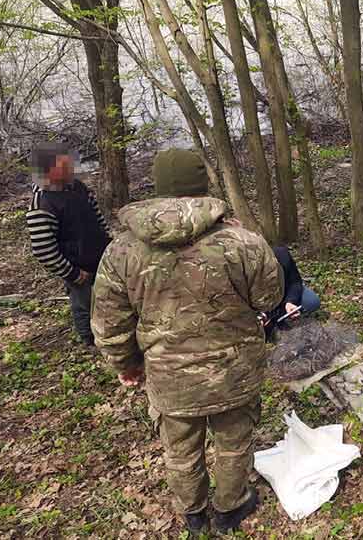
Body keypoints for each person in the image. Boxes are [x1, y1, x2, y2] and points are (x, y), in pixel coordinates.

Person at [90, 148, 284, 536]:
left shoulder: (121, 250)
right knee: (233, 443)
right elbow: (270, 297)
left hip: (169, 376)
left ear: (159, 189)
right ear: (202, 184)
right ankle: (231, 507)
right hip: (234, 371)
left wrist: (125, 364)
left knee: (180, 451)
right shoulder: (242, 241)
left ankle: (194, 515)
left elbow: (109, 323)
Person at [26, 142, 111, 347]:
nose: (71, 169)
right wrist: (72, 273)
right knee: (84, 305)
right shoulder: (41, 205)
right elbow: (43, 250)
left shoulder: (78, 187)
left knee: (109, 299)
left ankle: (109, 332)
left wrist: (109, 243)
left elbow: (97, 218)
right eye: (64, 166)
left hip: (101, 256)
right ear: (48, 170)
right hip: (78, 267)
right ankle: (89, 341)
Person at [265, 246, 321, 331]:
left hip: (284, 291)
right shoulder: (246, 270)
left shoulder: (282, 255)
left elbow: (295, 282)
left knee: (312, 302)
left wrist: (290, 301)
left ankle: (282, 313)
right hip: (261, 302)